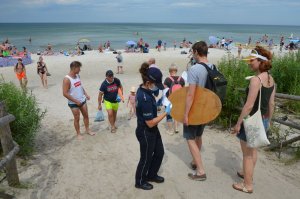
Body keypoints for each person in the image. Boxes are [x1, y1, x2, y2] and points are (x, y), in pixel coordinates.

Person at [232, 46, 275, 194]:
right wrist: (268, 120)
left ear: (260, 61)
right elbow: (271, 103)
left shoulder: (256, 80)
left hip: (251, 121)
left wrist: (238, 123)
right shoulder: (270, 79)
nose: (249, 63)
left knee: (247, 155)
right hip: (262, 119)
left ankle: (247, 185)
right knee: (253, 151)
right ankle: (246, 174)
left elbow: (249, 105)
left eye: (252, 60)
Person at [135, 62, 171, 190]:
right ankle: (140, 181)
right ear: (149, 82)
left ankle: (151, 174)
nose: (157, 87)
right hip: (146, 131)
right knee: (146, 157)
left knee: (159, 152)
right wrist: (166, 113)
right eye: (156, 84)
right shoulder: (143, 96)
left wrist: (159, 104)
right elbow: (150, 123)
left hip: (153, 130)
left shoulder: (146, 90)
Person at [183, 41, 214, 181]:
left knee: (189, 138)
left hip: (195, 109)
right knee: (199, 136)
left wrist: (185, 114)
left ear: (196, 52)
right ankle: (195, 162)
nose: (192, 54)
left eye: (192, 52)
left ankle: (201, 171)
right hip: (207, 109)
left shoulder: (195, 69)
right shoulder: (213, 67)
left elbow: (191, 94)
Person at [62, 61, 95, 140]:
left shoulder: (77, 76)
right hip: (73, 103)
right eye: (79, 68)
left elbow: (80, 86)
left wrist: (86, 94)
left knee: (86, 115)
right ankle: (78, 134)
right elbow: (65, 93)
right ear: (74, 68)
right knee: (77, 118)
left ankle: (87, 130)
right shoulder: (67, 79)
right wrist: (76, 101)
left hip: (82, 100)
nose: (80, 70)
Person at [163, 63, 185, 135]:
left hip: (169, 99)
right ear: (176, 71)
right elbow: (183, 89)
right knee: (176, 113)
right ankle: (176, 128)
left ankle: (170, 130)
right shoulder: (181, 79)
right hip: (178, 99)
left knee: (169, 114)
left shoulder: (167, 79)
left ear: (170, 71)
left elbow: (165, 90)